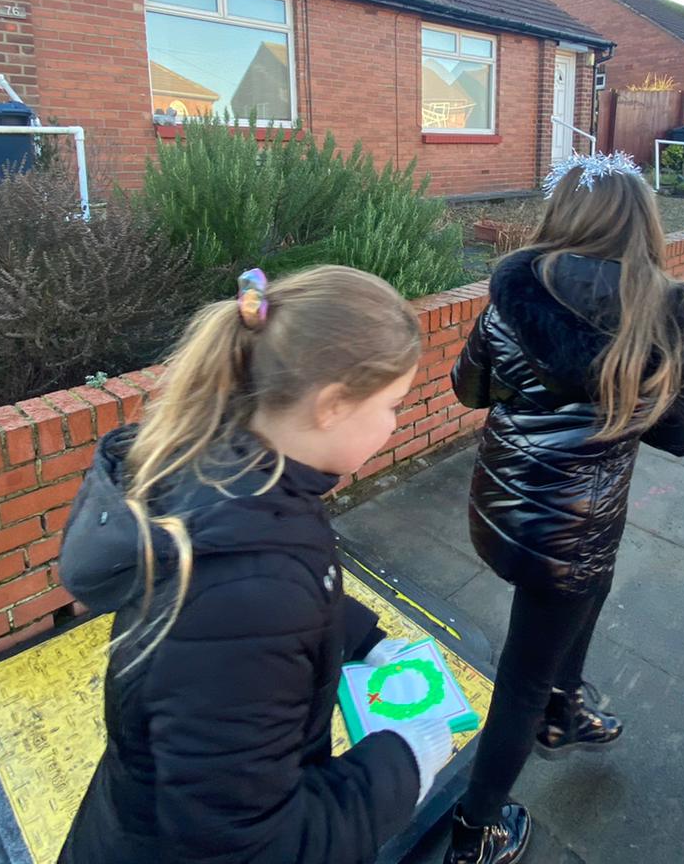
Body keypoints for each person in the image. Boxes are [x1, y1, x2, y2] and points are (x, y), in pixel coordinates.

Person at [57, 266, 453, 864]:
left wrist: (362, 638)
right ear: (332, 406)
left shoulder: (236, 468)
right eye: (393, 404)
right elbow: (251, 847)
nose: (396, 422)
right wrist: (401, 763)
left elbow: (273, 567)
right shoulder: (245, 589)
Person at [446, 152, 684, 864]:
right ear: (643, 222)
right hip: (575, 528)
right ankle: (476, 831)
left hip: (504, 510)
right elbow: (683, 435)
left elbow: (469, 391)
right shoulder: (666, 320)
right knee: (522, 674)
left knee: (583, 599)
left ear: (562, 213)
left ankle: (563, 711)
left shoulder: (513, 297)